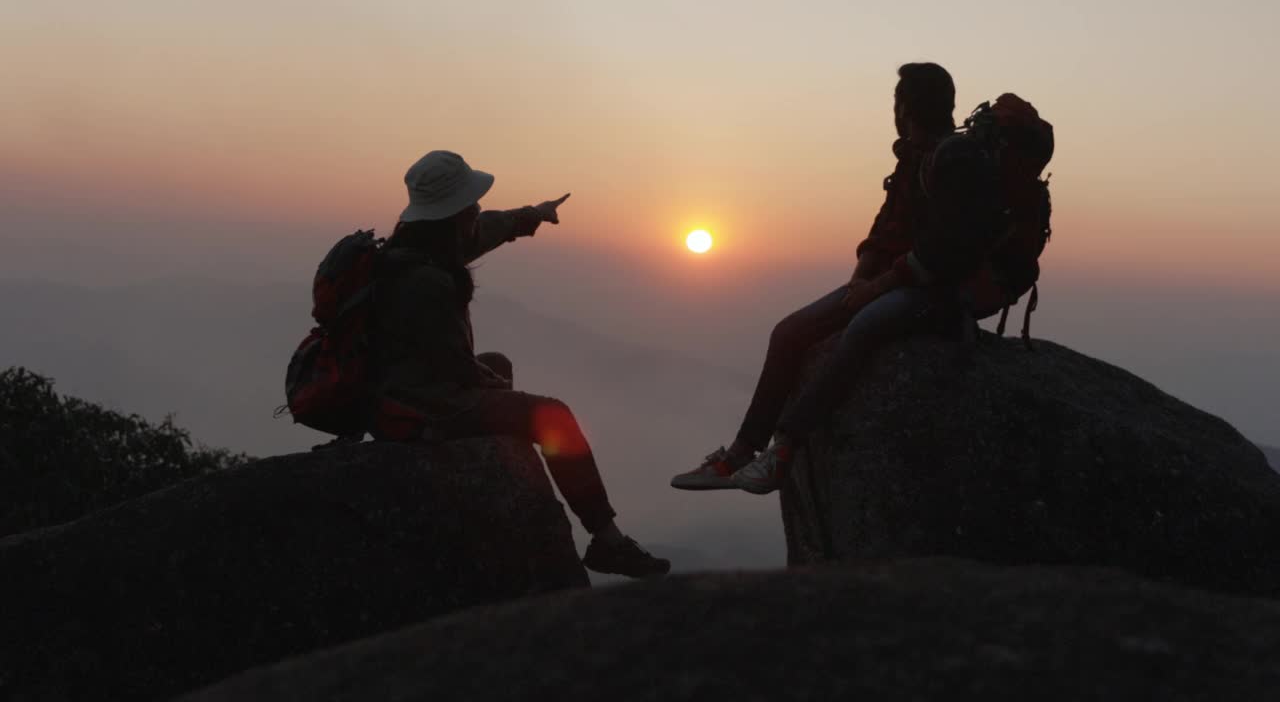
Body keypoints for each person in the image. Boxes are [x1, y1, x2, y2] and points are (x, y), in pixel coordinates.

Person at [672, 62, 1006, 495]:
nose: (895, 111)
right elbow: (884, 230)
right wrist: (858, 282)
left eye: (897, 101)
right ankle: (739, 453)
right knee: (789, 332)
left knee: (864, 326)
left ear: (907, 107)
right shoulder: (913, 157)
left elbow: (946, 249)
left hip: (943, 292)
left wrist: (875, 289)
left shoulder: (955, 157)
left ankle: (784, 449)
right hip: (900, 280)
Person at [372, 150, 670, 578]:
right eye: (470, 203)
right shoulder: (427, 281)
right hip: (420, 407)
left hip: (407, 385)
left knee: (498, 363)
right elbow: (452, 369)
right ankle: (608, 540)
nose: (476, 208)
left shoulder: (420, 248)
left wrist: (535, 214)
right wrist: (491, 386)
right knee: (553, 415)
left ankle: (511, 472)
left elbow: (489, 228)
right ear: (454, 212)